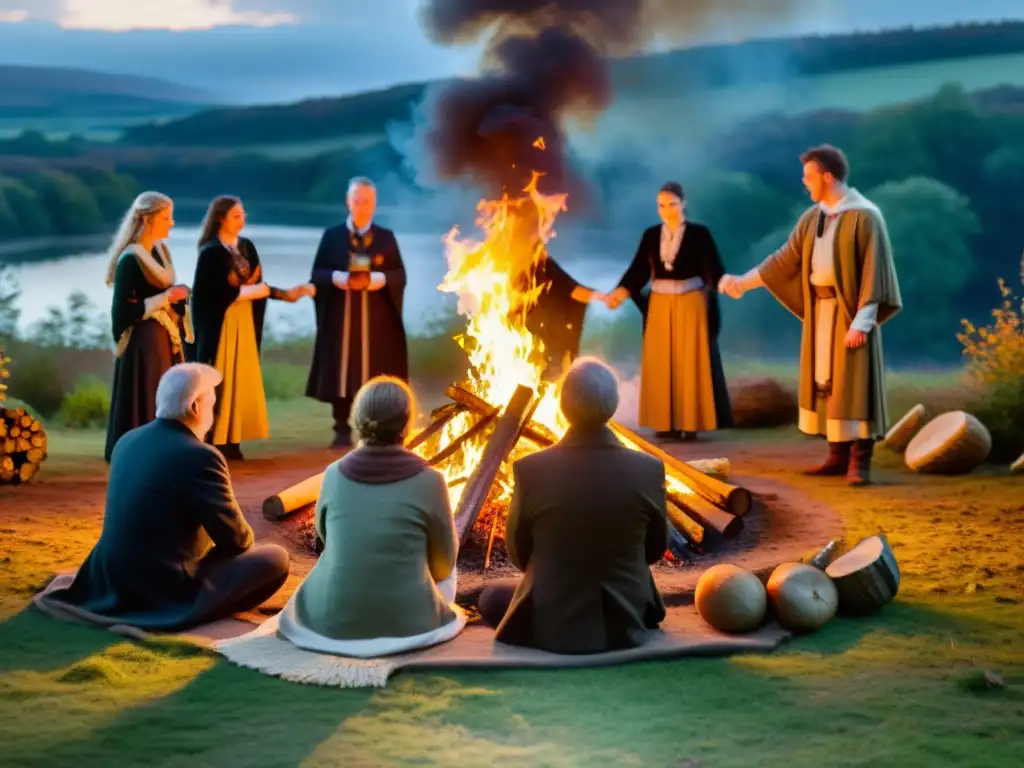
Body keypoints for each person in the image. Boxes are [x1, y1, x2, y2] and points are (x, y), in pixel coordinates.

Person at [39, 364, 290, 631]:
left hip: (110, 578)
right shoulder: (200, 455)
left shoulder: (127, 440)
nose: (212, 415)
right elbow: (237, 542)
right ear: (195, 407)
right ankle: (195, 607)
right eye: (211, 406)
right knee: (275, 558)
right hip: (162, 588)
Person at [719, 144, 902, 486]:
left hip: (850, 314)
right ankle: (836, 456)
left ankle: (859, 462)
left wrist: (862, 321)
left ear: (828, 177)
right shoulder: (812, 217)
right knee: (827, 384)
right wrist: (743, 283)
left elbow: (873, 273)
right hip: (821, 313)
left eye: (809, 176)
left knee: (855, 384)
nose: (804, 183)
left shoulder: (865, 216)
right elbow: (784, 260)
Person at [477, 358, 669, 654]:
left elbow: (519, 554)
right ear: (614, 404)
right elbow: (654, 550)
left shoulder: (531, 470)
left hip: (554, 622)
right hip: (625, 619)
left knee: (491, 598)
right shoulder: (649, 469)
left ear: (562, 405)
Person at [276, 376, 466, 657]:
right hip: (410, 623)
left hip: (331, 622)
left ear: (357, 419)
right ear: (408, 423)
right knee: (449, 567)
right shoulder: (432, 480)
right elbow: (443, 565)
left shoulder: (333, 475)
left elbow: (326, 539)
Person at [603, 182, 732, 441]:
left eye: (672, 204)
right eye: (661, 205)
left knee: (690, 361)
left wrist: (725, 283)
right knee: (662, 362)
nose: (667, 210)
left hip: (690, 301)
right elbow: (639, 268)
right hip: (660, 303)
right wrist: (621, 291)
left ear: (683, 204)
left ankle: (690, 423)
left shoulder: (699, 234)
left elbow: (712, 267)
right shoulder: (651, 235)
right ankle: (665, 423)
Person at [189, 195, 314, 460]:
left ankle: (233, 438)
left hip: (244, 321)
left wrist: (283, 294)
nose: (242, 220)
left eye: (243, 214)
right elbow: (209, 295)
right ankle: (214, 437)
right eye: (236, 215)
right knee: (220, 375)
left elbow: (260, 284)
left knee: (240, 377)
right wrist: (258, 290)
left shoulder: (247, 247)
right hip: (221, 324)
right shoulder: (211, 252)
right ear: (221, 219)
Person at [306, 177, 409, 449]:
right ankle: (341, 429)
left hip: (376, 322)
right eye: (357, 200)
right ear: (348, 202)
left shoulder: (385, 238)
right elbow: (317, 274)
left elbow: (399, 275)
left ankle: (375, 428)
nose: (362, 206)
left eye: (367, 201)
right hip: (341, 318)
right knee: (341, 372)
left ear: (374, 204)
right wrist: (341, 278)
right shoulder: (332, 236)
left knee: (375, 373)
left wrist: (374, 279)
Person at [103, 191, 193, 462]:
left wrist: (179, 298)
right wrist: (167, 297)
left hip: (163, 336)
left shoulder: (160, 251)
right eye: (166, 217)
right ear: (148, 219)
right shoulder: (130, 259)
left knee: (161, 392)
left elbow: (166, 293)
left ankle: (160, 448)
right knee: (147, 391)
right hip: (143, 341)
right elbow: (123, 310)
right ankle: (137, 450)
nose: (171, 223)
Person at [510, 203, 605, 380]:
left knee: (549, 378)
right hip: (525, 341)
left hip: (544, 341)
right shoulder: (512, 268)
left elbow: (572, 290)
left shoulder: (544, 266)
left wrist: (602, 298)